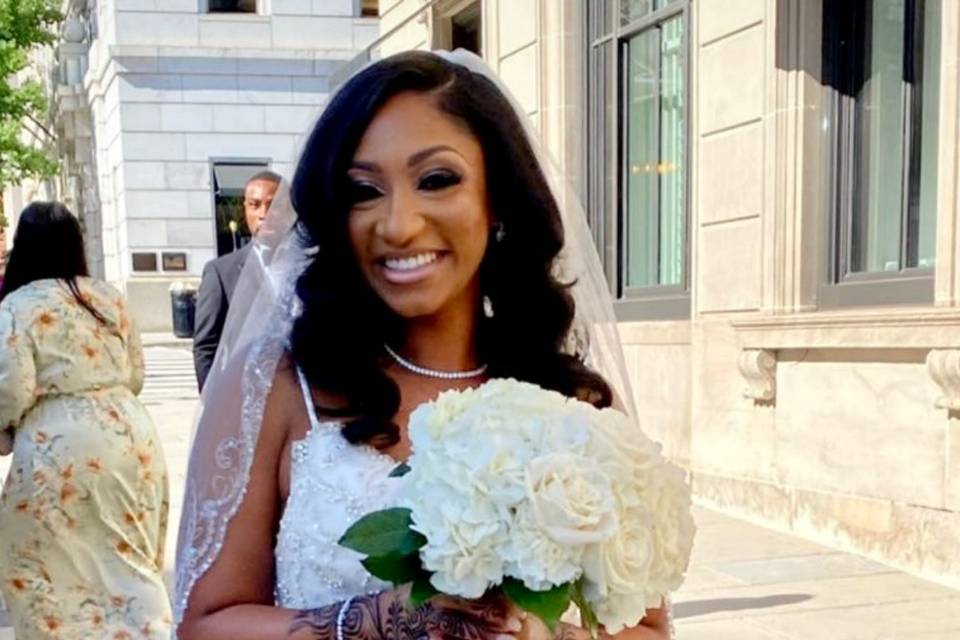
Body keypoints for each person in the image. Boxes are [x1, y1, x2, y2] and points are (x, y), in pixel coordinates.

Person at [174, 51, 674, 640]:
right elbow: (204, 624)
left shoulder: (572, 404)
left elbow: (647, 626)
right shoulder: (275, 387)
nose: (399, 224)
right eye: (364, 191)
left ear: (498, 202)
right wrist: (375, 623)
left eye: (436, 180)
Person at [0, 202, 173, 639]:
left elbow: (11, 388)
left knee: (47, 571)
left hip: (59, 444)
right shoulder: (109, 297)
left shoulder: (16, 306)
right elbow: (135, 373)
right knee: (129, 562)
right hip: (131, 435)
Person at [193, 170, 281, 391]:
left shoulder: (309, 269)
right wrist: (215, 405)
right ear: (245, 209)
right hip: (243, 400)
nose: (264, 214)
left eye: (272, 205)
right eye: (255, 205)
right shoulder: (221, 273)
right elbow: (206, 347)